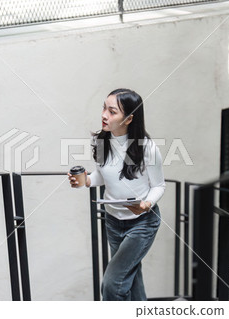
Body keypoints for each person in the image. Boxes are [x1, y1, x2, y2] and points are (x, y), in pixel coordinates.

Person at [68, 88, 165, 301]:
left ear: (129, 119)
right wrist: (86, 181)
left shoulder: (147, 148)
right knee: (131, 275)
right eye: (104, 108)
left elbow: (159, 186)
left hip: (142, 223)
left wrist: (146, 204)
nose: (104, 115)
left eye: (112, 111)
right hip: (113, 222)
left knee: (113, 285)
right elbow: (102, 175)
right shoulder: (102, 142)